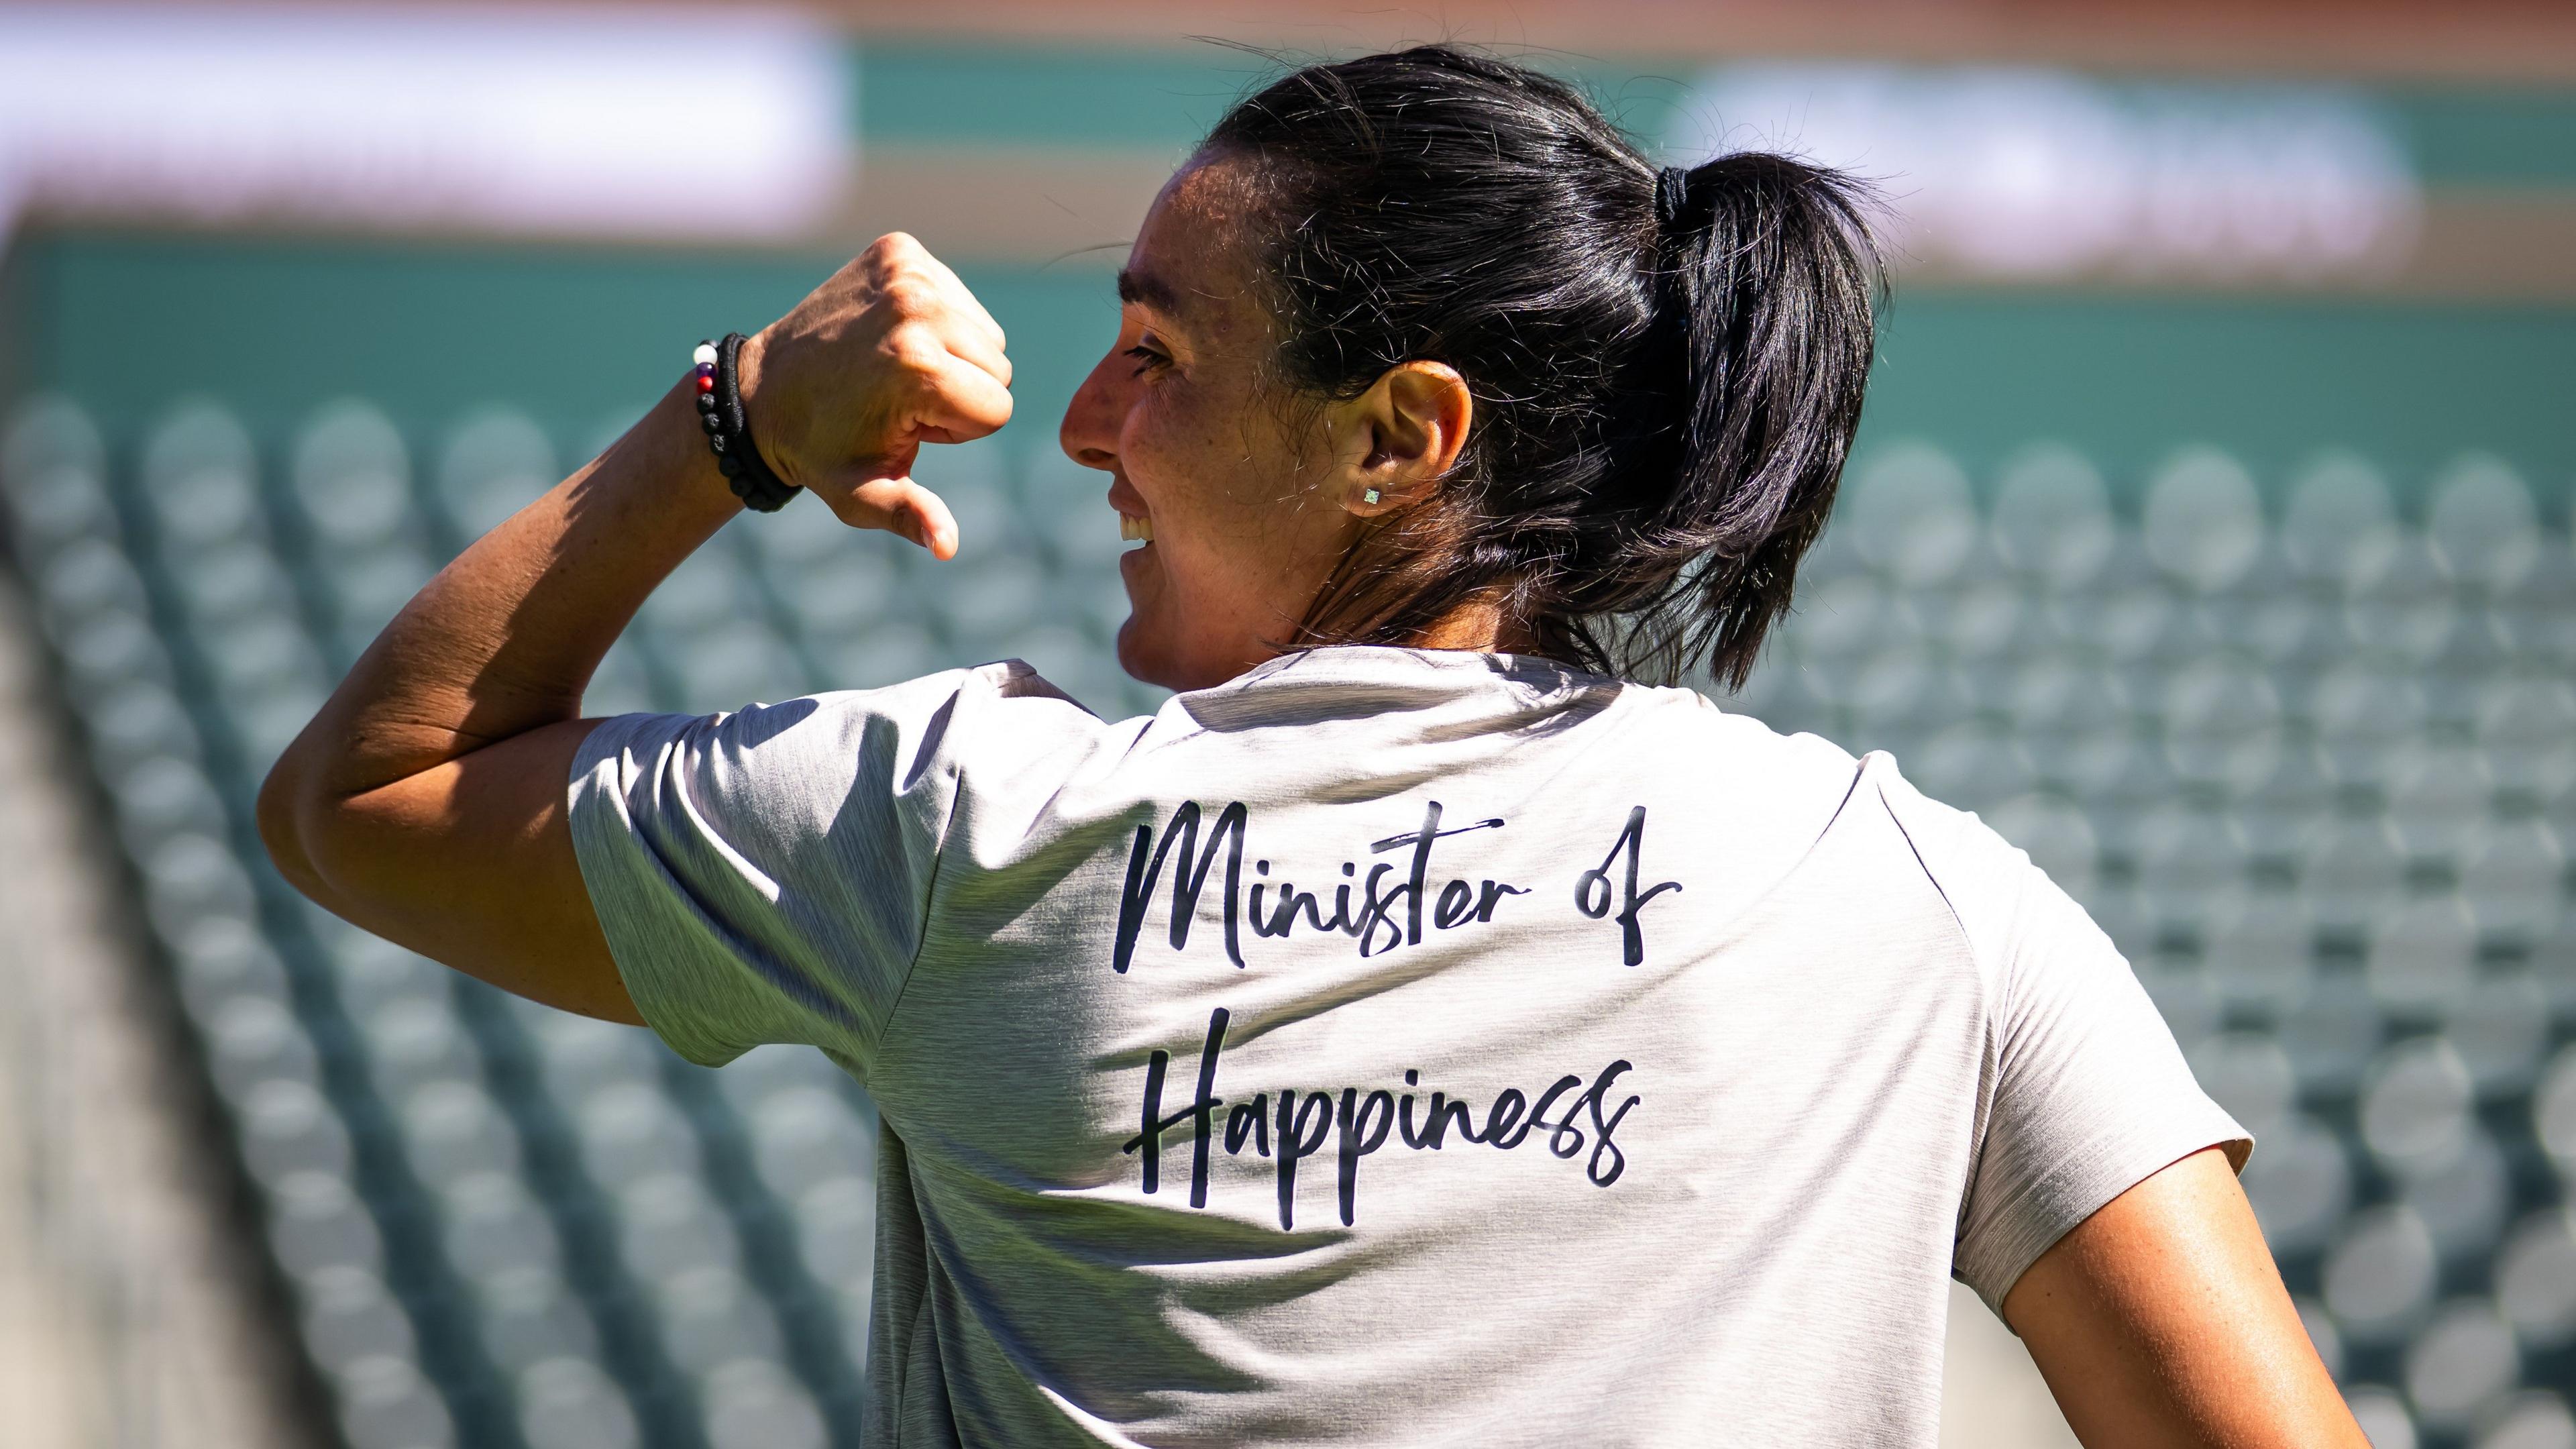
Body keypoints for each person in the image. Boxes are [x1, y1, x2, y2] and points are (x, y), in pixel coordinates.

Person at [258, 46, 2365, 1449]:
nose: (1085, 422)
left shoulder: (967, 829)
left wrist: (730, 420)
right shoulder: (1920, 896)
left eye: (1156, 352)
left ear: (1400, 441)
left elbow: (365, 800)